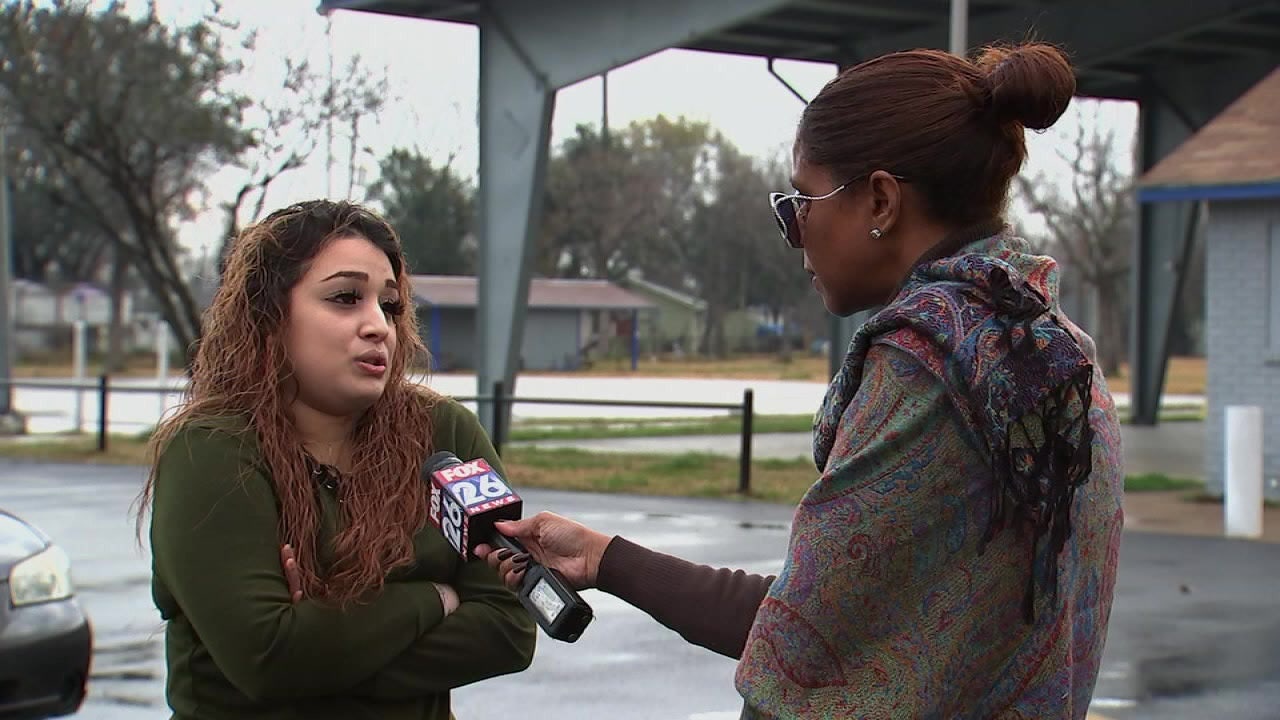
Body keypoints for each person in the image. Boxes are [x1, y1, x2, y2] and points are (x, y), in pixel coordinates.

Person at [477, 42, 1124, 719]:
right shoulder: (1051, 350)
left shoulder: (924, 370)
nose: (795, 233)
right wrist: (603, 558)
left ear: (879, 200)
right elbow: (821, 617)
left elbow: (801, 647)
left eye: (800, 202)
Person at [137, 200, 536, 720]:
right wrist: (434, 599)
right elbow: (271, 658)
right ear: (270, 316)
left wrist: (325, 646)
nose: (378, 326)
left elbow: (510, 626)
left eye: (389, 305)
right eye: (346, 298)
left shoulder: (444, 431)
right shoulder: (212, 449)